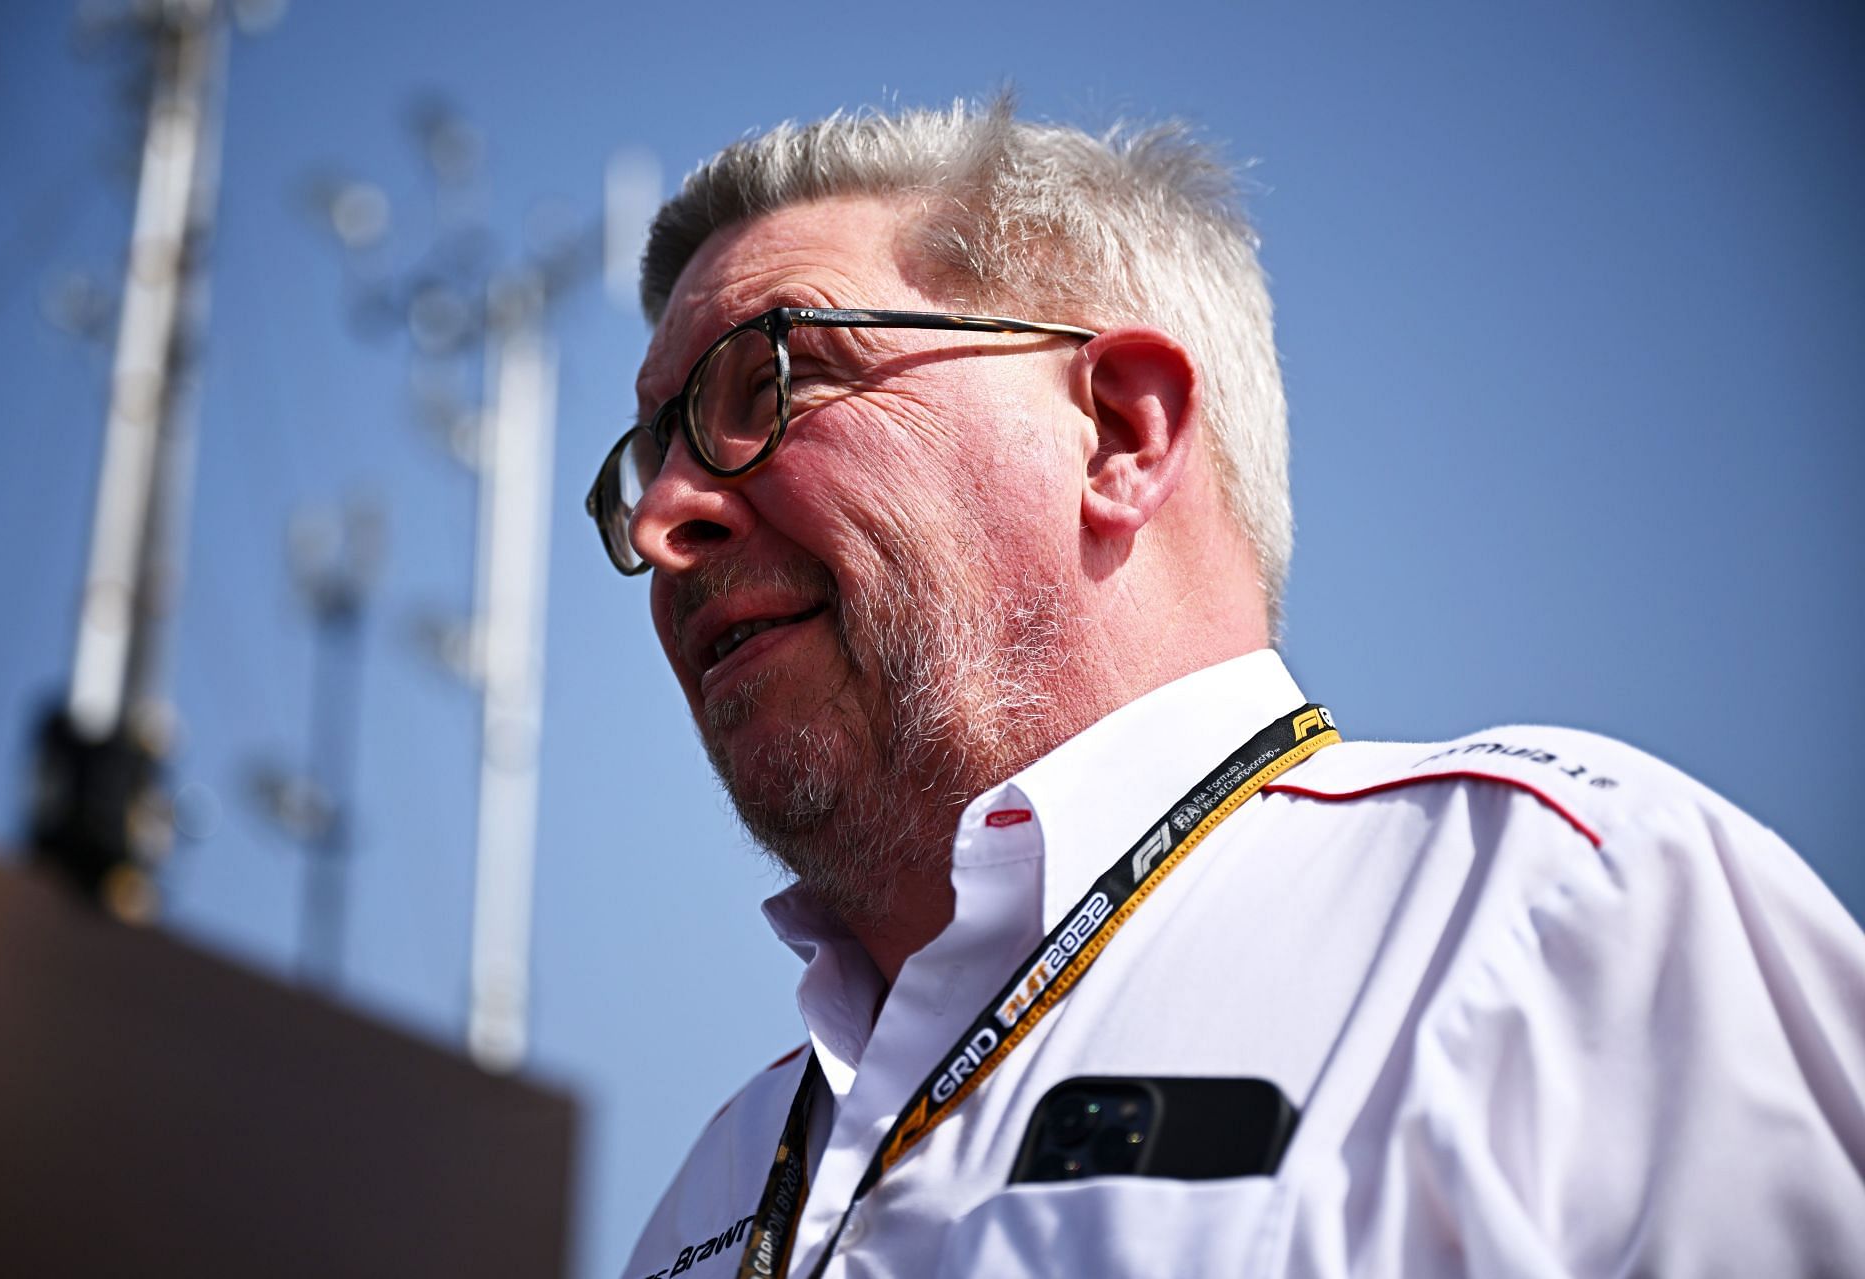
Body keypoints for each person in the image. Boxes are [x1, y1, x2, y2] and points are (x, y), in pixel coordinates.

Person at [589, 100, 1865, 1279]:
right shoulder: (711, 1194)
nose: (659, 518)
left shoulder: (1549, 912)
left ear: (1121, 434)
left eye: (772, 381)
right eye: (647, 457)